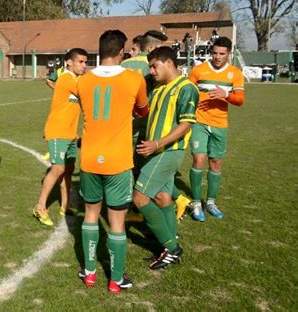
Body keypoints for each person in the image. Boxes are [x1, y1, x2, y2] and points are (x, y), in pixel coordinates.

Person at [77, 30, 148, 293]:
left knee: (91, 216)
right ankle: (116, 280)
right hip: (118, 160)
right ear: (121, 51)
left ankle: (90, 273)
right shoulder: (134, 78)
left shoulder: (83, 80)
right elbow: (143, 110)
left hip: (90, 160)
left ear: (99, 50)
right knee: (117, 222)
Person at [133, 46, 199, 270]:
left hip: (168, 152)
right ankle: (170, 241)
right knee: (162, 198)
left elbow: (186, 123)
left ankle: (171, 248)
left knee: (140, 198)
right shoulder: (161, 88)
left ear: (169, 63)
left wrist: (157, 144)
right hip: (156, 151)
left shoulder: (186, 87)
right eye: (150, 66)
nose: (151, 70)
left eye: (154, 66)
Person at [188, 36, 245, 221]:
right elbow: (187, 93)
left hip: (220, 124)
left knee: (216, 163)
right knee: (198, 159)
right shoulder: (198, 70)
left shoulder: (235, 73)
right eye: (214, 53)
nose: (217, 57)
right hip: (199, 122)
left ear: (229, 53)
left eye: (222, 54)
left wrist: (226, 94)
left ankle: (211, 202)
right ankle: (196, 203)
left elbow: (240, 100)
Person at [33, 48, 88, 226]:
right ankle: (40, 207)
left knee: (68, 171)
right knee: (57, 169)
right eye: (80, 61)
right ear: (69, 62)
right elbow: (87, 93)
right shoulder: (66, 78)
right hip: (57, 131)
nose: (84, 65)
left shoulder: (76, 79)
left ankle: (65, 206)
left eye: (86, 62)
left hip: (71, 134)